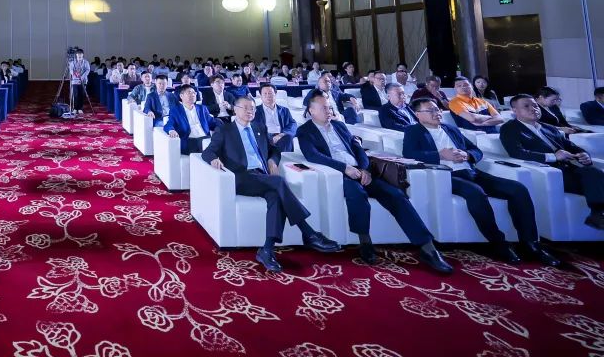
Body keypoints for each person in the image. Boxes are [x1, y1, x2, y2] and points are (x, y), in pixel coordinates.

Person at [296, 92, 453, 273]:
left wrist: (365, 169)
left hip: (361, 171)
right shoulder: (305, 131)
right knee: (357, 194)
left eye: (330, 107)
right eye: (324, 108)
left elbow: (358, 149)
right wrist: (344, 168)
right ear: (311, 110)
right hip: (339, 174)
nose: (329, 111)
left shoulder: (339, 125)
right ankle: (365, 242)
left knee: (396, 195)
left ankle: (427, 248)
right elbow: (313, 155)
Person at [404, 97, 559, 266]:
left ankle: (530, 243)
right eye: (431, 110)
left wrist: (467, 155)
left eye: (437, 109)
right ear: (418, 114)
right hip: (447, 176)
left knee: (518, 189)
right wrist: (440, 155)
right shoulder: (413, 131)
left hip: (471, 172)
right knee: (476, 193)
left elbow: (476, 151)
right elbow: (409, 154)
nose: (437, 113)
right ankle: (498, 243)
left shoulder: (450, 129)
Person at [202, 94, 339, 273]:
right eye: (245, 108)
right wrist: (213, 159)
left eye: (252, 108)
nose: (250, 111)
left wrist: (273, 161)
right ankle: (309, 233)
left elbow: (274, 150)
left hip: (263, 177)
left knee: (276, 196)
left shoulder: (259, 127)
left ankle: (267, 249)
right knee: (278, 182)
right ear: (235, 110)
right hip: (241, 177)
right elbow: (207, 152)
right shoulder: (225, 130)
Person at [500, 94, 604, 231]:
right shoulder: (509, 128)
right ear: (515, 110)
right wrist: (553, 157)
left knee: (593, 173)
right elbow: (517, 152)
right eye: (526, 106)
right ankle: (598, 213)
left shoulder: (549, 128)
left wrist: (584, 154)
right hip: (548, 172)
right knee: (593, 174)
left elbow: (570, 146)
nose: (533, 109)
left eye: (535, 105)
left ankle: (597, 214)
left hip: (570, 169)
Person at [163, 85, 217, 154]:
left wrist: (222, 128)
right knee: (209, 151)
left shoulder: (202, 108)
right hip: (189, 140)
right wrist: (171, 130)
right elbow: (169, 124)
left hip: (205, 138)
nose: (193, 95)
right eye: (189, 92)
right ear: (181, 96)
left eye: (194, 93)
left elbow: (212, 122)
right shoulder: (176, 111)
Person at [256, 84, 297, 152]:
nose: (268, 96)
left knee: (288, 137)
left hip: (281, 136)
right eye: (265, 94)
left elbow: (292, 123)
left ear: (275, 94)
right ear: (261, 96)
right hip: (264, 137)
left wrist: (282, 134)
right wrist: (269, 137)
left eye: (270, 93)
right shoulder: (255, 111)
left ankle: (284, 158)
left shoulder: (284, 110)